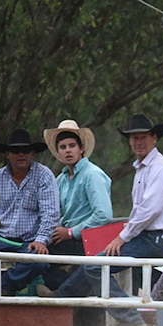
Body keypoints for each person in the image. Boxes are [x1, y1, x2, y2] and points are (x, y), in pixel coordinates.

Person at [52, 114, 163, 326]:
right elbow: (142, 211)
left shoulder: (160, 167)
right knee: (102, 265)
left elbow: (148, 210)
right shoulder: (145, 167)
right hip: (152, 236)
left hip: (158, 237)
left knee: (96, 266)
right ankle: (64, 300)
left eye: (142, 137)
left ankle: (130, 317)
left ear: (153, 139)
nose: (138, 142)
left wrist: (122, 237)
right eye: (134, 138)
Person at [0, 129, 60, 295]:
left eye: (25, 151)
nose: (21, 155)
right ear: (7, 154)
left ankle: (3, 287)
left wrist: (41, 240)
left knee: (38, 262)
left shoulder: (44, 175)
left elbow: (50, 213)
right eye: (15, 151)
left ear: (32, 153)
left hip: (29, 241)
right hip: (0, 238)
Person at [42, 119, 113, 289]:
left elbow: (103, 215)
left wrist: (71, 232)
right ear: (58, 152)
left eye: (72, 145)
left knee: (40, 260)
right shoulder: (61, 180)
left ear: (81, 149)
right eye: (63, 147)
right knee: (35, 256)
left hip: (89, 239)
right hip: (71, 239)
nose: (68, 150)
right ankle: (72, 289)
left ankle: (69, 292)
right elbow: (55, 211)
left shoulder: (92, 175)